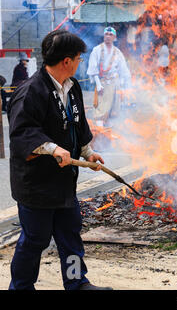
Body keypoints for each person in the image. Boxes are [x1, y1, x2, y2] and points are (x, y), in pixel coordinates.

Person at [7, 29, 111, 290]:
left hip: (64, 182)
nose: (79, 63)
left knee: (70, 236)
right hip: (36, 184)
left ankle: (77, 283)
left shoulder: (72, 86)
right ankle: (21, 287)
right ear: (67, 60)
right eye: (78, 58)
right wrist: (52, 148)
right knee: (35, 239)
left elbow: (78, 125)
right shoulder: (30, 90)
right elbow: (22, 133)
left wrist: (87, 152)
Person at [87, 26, 131, 127]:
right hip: (102, 84)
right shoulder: (97, 50)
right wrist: (98, 84)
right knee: (101, 109)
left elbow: (123, 70)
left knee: (113, 110)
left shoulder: (118, 52)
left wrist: (124, 86)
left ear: (114, 37)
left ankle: (108, 134)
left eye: (110, 35)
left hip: (115, 84)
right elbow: (93, 68)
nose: (108, 36)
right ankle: (100, 132)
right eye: (106, 34)